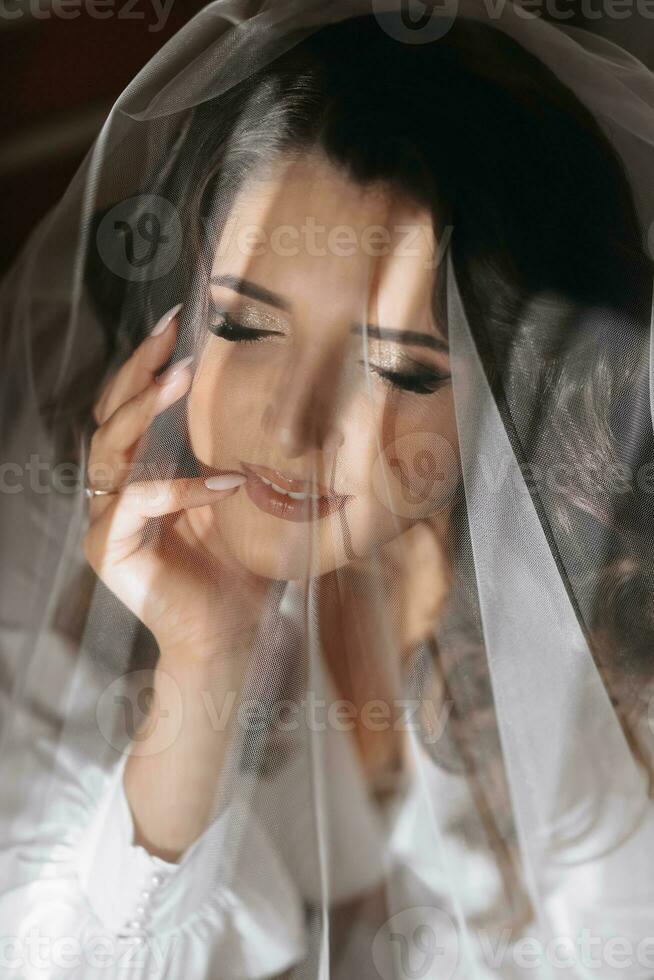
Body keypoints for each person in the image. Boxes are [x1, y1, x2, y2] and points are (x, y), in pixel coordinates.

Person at [1, 1, 654, 977]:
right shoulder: (49, 553)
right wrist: (205, 662)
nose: (293, 427)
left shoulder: (605, 612)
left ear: (519, 394)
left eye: (399, 370)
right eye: (244, 326)